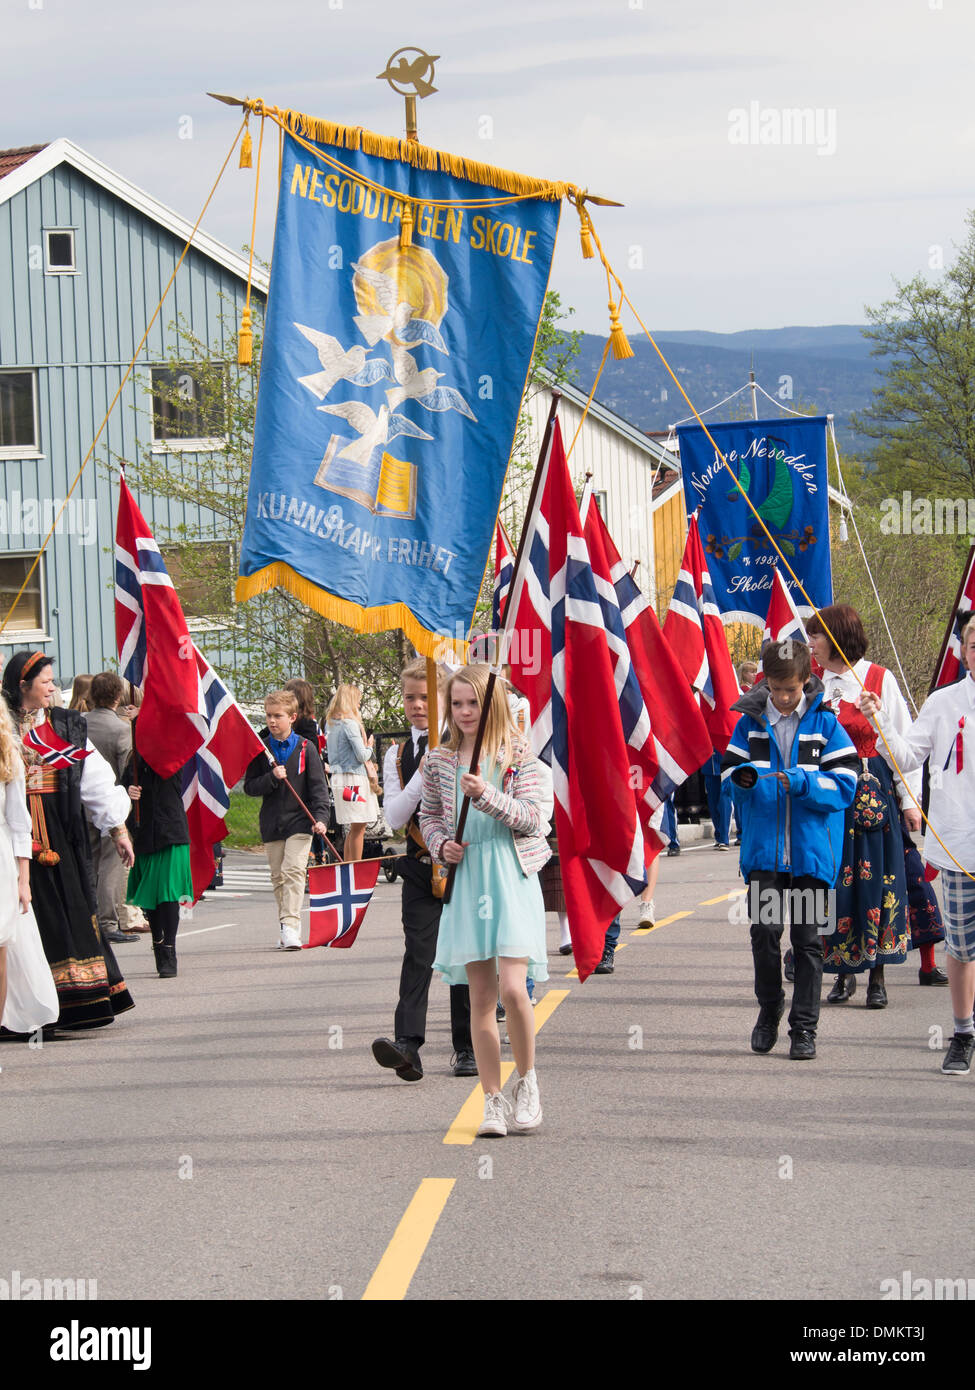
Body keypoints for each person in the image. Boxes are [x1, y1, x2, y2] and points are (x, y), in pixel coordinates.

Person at [420, 664, 552, 1136]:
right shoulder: (438, 760)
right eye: (456, 704)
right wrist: (441, 846)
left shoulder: (520, 757)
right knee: (480, 997)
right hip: (469, 876)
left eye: (472, 702)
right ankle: (492, 1099)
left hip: (510, 875)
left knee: (515, 990)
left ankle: (528, 1082)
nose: (463, 712)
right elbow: (430, 816)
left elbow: (534, 819)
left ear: (490, 704)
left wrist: (487, 795)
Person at [722, 639, 858, 1060]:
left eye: (791, 690)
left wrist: (804, 783)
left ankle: (804, 1029)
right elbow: (729, 773)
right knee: (763, 933)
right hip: (764, 853)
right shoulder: (749, 723)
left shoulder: (827, 725)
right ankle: (769, 1009)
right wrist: (741, 781)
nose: (782, 698)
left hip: (812, 855)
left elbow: (847, 784)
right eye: (776, 689)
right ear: (765, 681)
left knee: (808, 942)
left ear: (806, 682)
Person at [808, 604, 944, 1006]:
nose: (810, 643)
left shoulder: (878, 679)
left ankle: (878, 974)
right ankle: (842, 969)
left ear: (835, 638)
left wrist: (909, 802)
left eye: (816, 635)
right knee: (833, 882)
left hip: (872, 793)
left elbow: (906, 747)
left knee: (879, 882)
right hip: (830, 798)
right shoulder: (814, 683)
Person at [860, 617, 975, 1073]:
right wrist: (878, 719)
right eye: (972, 643)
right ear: (963, 651)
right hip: (959, 846)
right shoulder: (944, 702)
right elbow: (908, 756)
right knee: (963, 947)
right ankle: (963, 1031)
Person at [2, 651, 135, 1030]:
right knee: (25, 917)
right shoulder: (3, 726)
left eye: (52, 679)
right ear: (22, 685)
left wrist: (118, 829)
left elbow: (95, 780)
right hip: (12, 832)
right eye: (44, 680)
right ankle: (24, 1008)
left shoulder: (66, 726)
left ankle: (75, 1004)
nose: (51, 686)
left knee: (69, 910)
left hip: (60, 833)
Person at [372, 658, 474, 1081]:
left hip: (462, 862)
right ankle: (407, 1045)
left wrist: (441, 755)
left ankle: (467, 1046)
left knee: (466, 954)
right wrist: (427, 765)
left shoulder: (466, 744)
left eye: (426, 697)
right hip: (417, 863)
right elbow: (395, 815)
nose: (418, 705)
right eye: (411, 697)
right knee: (420, 952)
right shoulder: (398, 754)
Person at [244, 690, 330, 951]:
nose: (272, 721)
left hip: (300, 822)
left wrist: (321, 818)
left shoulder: (306, 747)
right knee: (279, 877)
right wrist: (272, 777)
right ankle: (284, 924)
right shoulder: (261, 749)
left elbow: (318, 788)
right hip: (272, 823)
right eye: (269, 716)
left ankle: (292, 926)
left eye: (278, 716)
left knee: (293, 871)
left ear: (292, 717)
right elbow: (250, 786)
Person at [0, 689, 59, 1037]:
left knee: (1, 950)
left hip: (2, 861)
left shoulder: (7, 751)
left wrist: (23, 880)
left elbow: (20, 823)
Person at [124, 741, 193, 978]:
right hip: (144, 833)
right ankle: (158, 943)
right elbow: (122, 786)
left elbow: (167, 771)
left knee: (168, 894)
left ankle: (170, 950)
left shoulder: (172, 751)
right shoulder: (135, 758)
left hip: (170, 831)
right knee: (151, 897)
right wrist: (127, 790)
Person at [84, 672, 138, 944]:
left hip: (81, 804)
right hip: (109, 803)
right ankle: (106, 921)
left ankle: (88, 917)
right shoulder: (121, 729)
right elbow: (125, 770)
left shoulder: (80, 723)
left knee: (89, 861)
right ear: (118, 696)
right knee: (111, 865)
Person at [325, 684, 378, 863]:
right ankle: (355, 869)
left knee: (354, 826)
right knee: (359, 825)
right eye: (358, 701)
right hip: (354, 778)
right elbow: (361, 755)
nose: (359, 705)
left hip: (340, 778)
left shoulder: (331, 723)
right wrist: (370, 745)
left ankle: (349, 866)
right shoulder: (350, 724)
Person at [285, 677, 327, 867]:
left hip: (307, 780)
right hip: (290, 781)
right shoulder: (286, 725)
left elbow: (312, 750)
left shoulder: (308, 725)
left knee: (312, 823)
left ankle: (315, 862)